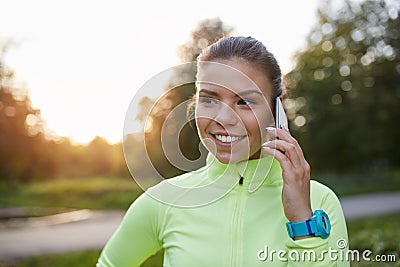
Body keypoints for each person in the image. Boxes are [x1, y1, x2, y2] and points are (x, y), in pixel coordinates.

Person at [97, 36, 349, 266]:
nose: (224, 118)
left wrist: (303, 222)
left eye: (244, 102)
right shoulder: (164, 201)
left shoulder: (319, 204)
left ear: (276, 111)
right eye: (210, 99)